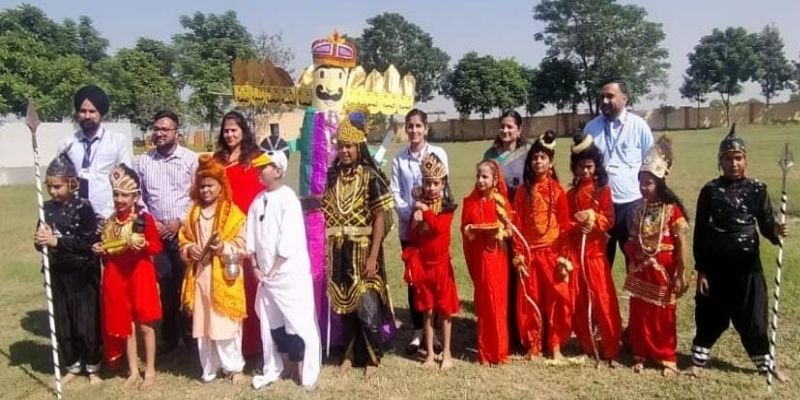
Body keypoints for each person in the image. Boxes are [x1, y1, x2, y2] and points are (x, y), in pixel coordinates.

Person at [688, 125, 789, 382]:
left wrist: (776, 230)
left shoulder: (757, 189)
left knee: (754, 318)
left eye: (738, 158)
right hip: (717, 265)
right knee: (710, 316)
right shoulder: (710, 191)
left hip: (748, 267)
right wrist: (702, 270)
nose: (734, 164)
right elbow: (700, 233)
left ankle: (766, 365)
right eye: (728, 159)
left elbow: (766, 225)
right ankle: (698, 362)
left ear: (746, 160)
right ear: (720, 161)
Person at [322, 117, 395, 377]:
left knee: (367, 307)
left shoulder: (370, 176)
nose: (344, 151)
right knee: (345, 309)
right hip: (339, 253)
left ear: (359, 147)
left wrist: (373, 256)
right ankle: (349, 355)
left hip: (364, 251)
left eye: (349, 146)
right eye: (340, 146)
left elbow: (380, 217)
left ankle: (372, 359)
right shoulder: (332, 177)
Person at [248, 151, 321, 390]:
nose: (259, 172)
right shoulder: (257, 200)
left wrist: (274, 269)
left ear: (278, 171)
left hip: (288, 274)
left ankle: (303, 367)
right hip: (266, 276)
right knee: (273, 321)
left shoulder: (288, 198)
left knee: (296, 320)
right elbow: (251, 236)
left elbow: (288, 240)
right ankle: (284, 362)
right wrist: (256, 267)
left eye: (264, 168)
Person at [622, 135, 689, 376]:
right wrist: (632, 261)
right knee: (640, 311)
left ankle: (666, 356)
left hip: (663, 270)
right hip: (641, 270)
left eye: (648, 183)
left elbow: (681, 243)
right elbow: (632, 240)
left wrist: (681, 273)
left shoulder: (672, 210)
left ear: (660, 183)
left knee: (663, 313)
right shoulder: (638, 210)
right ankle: (640, 352)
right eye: (641, 182)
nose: (643, 187)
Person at [34, 153, 102, 385]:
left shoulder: (83, 207)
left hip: (82, 273)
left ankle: (92, 366)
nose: (53, 191)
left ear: (71, 183)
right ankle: (72, 364)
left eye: (58, 186)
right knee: (64, 323)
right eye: (49, 186)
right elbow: (41, 243)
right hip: (57, 272)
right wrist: (40, 240)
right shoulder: (45, 208)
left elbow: (89, 242)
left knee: (85, 321)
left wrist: (57, 242)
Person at [178, 154, 247, 384]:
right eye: (202, 185)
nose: (206, 190)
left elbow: (243, 244)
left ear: (221, 186)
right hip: (200, 276)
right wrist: (190, 249)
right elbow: (183, 240)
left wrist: (223, 247)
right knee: (204, 323)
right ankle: (209, 368)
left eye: (211, 185)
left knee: (225, 322)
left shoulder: (232, 213)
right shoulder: (193, 213)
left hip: (224, 276)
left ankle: (234, 367)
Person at [93, 164, 162, 388]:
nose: (119, 199)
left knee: (145, 323)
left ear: (135, 196)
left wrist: (142, 243)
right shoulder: (111, 221)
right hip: (116, 274)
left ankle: (149, 369)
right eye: (116, 194)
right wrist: (100, 249)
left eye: (124, 195)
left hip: (140, 273)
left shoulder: (143, 219)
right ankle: (133, 370)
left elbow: (156, 247)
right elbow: (108, 247)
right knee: (127, 324)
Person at [135, 110, 198, 355]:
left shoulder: (190, 159)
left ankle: (190, 335)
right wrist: (154, 223)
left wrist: (178, 221)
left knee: (186, 282)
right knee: (165, 283)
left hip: (183, 232)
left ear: (176, 132)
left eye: (165, 129)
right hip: (156, 233)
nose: (160, 133)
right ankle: (170, 336)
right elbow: (138, 197)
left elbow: (196, 195)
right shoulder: (143, 162)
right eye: (157, 129)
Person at [391, 108, 449, 355]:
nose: (414, 130)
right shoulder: (399, 159)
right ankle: (417, 330)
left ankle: (434, 332)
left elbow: (445, 188)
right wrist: (411, 213)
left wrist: (428, 215)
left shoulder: (438, 153)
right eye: (410, 126)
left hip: (433, 230)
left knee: (435, 280)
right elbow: (395, 193)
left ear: (426, 128)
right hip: (410, 229)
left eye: (418, 126)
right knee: (414, 278)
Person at [511, 131, 571, 360]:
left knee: (555, 300)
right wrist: (519, 255)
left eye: (543, 157)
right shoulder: (522, 191)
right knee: (531, 300)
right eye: (535, 158)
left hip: (552, 253)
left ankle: (555, 346)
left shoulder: (558, 190)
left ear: (551, 162)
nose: (538, 161)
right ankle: (533, 346)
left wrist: (563, 257)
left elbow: (564, 227)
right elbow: (517, 226)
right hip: (530, 254)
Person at [564, 133, 623, 365]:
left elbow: (609, 219)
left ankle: (611, 346)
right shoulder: (571, 194)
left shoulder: (602, 191)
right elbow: (566, 222)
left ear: (596, 166)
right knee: (580, 301)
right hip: (577, 256)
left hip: (596, 255)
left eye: (589, 166)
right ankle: (587, 343)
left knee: (603, 300)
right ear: (575, 168)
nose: (586, 171)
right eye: (581, 167)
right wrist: (577, 224)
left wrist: (593, 217)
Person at [583, 79, 653, 267]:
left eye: (610, 96)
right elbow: (582, 167)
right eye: (602, 97)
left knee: (636, 262)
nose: (604, 101)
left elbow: (650, 166)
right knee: (600, 264)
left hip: (632, 204)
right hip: (600, 206)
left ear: (624, 99)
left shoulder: (639, 126)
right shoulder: (591, 129)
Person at [213, 110, 266, 356]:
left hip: (250, 229)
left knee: (250, 286)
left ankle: (254, 343)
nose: (230, 134)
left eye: (234, 130)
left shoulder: (256, 158)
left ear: (243, 131)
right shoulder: (216, 160)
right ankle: (230, 343)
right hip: (224, 231)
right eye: (226, 130)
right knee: (227, 282)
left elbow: (265, 191)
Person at [401, 153, 459, 369]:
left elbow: (438, 229)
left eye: (435, 183)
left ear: (443, 183)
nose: (431, 187)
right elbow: (413, 236)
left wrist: (424, 211)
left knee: (444, 310)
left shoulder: (446, 208)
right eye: (427, 183)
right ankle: (429, 353)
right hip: (424, 266)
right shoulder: (419, 206)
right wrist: (415, 223)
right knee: (427, 310)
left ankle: (447, 354)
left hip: (441, 265)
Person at [482, 110, 530, 352]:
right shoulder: (490, 155)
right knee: (501, 276)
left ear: (519, 130)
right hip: (498, 222)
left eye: (510, 127)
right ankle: (503, 331)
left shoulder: (528, 153)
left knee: (521, 275)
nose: (505, 130)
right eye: (502, 126)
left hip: (521, 221)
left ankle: (523, 330)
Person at [461, 160, 511, 365]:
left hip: (497, 258)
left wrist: (499, 233)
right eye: (478, 176)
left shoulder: (501, 202)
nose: (481, 181)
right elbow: (464, 228)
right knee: (484, 302)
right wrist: (470, 231)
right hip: (480, 258)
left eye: (485, 177)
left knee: (497, 301)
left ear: (495, 179)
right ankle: (485, 351)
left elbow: (511, 229)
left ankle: (499, 351)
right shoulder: (470, 202)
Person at [58, 85, 132, 219]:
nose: (87, 116)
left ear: (101, 113)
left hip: (109, 215)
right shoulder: (67, 144)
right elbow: (61, 180)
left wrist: (112, 214)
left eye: (92, 111)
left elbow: (126, 181)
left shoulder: (116, 141)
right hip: (75, 217)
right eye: (83, 111)